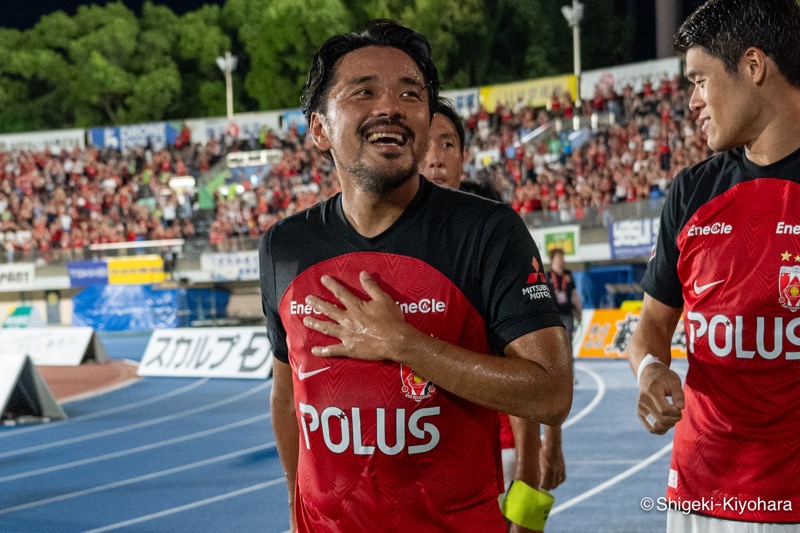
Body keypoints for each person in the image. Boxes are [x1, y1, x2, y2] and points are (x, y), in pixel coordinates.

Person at [261, 20, 572, 533]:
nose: (391, 106)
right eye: (365, 91)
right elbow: (285, 391)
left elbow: (552, 393)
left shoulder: (488, 231)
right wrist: (296, 508)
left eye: (410, 93)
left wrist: (405, 344)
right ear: (319, 129)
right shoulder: (283, 246)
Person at [626, 1, 800, 531]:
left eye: (700, 81)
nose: (693, 102)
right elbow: (651, 327)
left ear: (753, 66)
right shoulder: (691, 192)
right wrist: (651, 370)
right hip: (698, 497)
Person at [420, 97, 568, 498]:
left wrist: (544, 448)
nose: (435, 159)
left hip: (495, 450)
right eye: (426, 144)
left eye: (448, 144)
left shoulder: (496, 239)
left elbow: (540, 353)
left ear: (464, 157)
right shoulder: (381, 252)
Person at [546, 248, 581, 343]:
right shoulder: (547, 276)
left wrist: (579, 311)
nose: (561, 259)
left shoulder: (568, 274)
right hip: (554, 315)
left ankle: (569, 358)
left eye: (562, 257)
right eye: (558, 257)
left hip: (567, 313)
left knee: (567, 340)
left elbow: (574, 294)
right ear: (552, 259)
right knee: (555, 341)